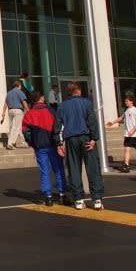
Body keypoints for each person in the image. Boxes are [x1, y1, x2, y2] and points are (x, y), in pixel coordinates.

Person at [53, 82, 104, 210]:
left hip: (71, 139)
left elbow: (57, 126)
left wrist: (58, 144)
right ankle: (97, 199)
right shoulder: (86, 103)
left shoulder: (62, 106)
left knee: (74, 169)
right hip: (85, 137)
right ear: (78, 91)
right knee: (92, 167)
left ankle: (78, 199)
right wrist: (94, 138)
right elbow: (92, 121)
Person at [22, 92, 66, 206]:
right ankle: (62, 194)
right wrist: (59, 142)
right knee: (58, 169)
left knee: (44, 171)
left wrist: (32, 142)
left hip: (40, 146)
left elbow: (26, 131)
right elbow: (58, 126)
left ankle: (48, 197)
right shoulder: (51, 110)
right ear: (41, 98)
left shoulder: (29, 114)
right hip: (53, 144)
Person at [107, 95, 136, 173]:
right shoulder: (127, 110)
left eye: (127, 101)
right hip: (128, 134)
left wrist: (133, 130)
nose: (126, 102)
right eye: (125, 101)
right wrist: (112, 122)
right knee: (127, 149)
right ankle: (126, 165)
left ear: (131, 101)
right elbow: (121, 118)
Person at [0, 81, 28, 150]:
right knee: (16, 127)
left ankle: (23, 142)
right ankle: (11, 143)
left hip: (10, 111)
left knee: (13, 127)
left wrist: (3, 113)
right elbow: (24, 102)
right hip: (18, 111)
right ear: (18, 85)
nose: (21, 87)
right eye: (21, 86)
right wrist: (28, 110)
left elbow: (5, 104)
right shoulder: (19, 92)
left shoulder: (9, 93)